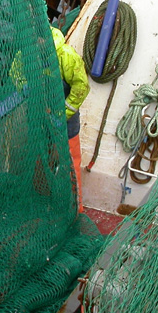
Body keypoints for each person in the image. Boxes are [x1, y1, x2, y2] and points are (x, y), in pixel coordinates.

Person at [52, 26, 90, 210]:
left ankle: (76, 207)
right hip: (42, 121)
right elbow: (17, 78)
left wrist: (63, 114)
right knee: (44, 161)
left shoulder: (67, 56)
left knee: (71, 162)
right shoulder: (26, 54)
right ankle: (48, 203)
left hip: (66, 122)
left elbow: (81, 87)